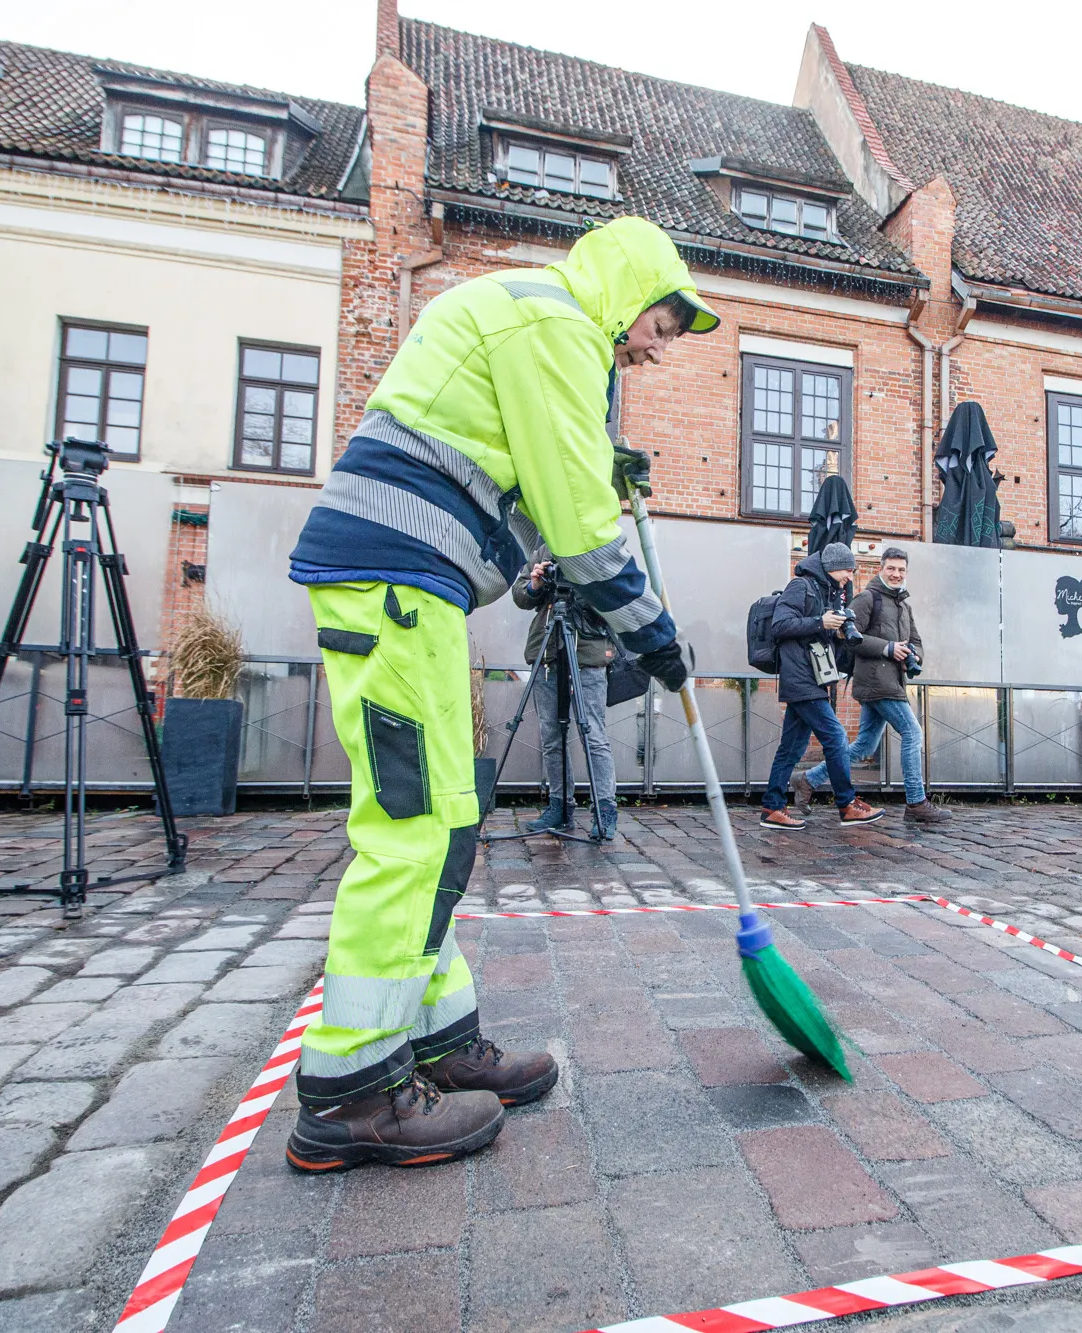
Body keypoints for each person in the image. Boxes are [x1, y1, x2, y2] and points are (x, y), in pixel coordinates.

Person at [283, 217, 715, 1171]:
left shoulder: (539, 320)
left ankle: (435, 1039)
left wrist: (598, 463)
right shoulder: (557, 325)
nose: (659, 349)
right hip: (392, 578)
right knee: (417, 823)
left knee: (450, 811)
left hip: (407, 582)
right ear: (628, 288)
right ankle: (352, 1089)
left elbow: (526, 478)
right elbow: (579, 526)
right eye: (662, 324)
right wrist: (655, 634)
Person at [794, 546, 947, 823]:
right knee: (912, 733)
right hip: (877, 682)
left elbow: (917, 641)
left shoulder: (903, 605)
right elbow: (845, 634)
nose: (896, 574)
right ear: (881, 569)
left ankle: (808, 780)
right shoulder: (867, 598)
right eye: (891, 568)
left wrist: (914, 654)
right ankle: (916, 802)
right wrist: (888, 648)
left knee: (863, 746)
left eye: (901, 570)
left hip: (892, 682)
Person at [759, 542, 884, 830]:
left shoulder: (828, 592)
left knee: (791, 747)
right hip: (800, 678)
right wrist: (820, 621)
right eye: (848, 570)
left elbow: (816, 636)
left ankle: (772, 807)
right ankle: (847, 803)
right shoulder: (800, 586)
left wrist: (837, 632)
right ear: (831, 567)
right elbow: (780, 626)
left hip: (813, 678)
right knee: (836, 737)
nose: (850, 576)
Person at [511, 553, 618, 839]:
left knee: (592, 733)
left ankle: (605, 810)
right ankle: (560, 807)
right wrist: (535, 584)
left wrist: (585, 576)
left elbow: (617, 596)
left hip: (588, 654)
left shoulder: (596, 545)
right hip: (546, 652)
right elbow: (521, 597)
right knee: (551, 735)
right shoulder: (542, 551)